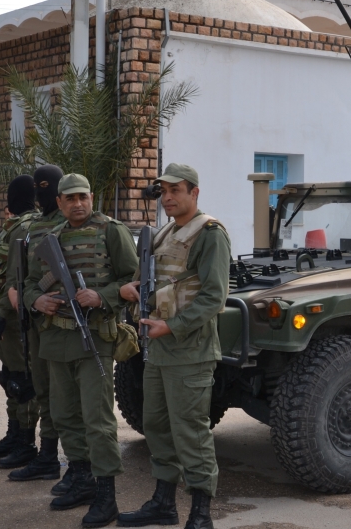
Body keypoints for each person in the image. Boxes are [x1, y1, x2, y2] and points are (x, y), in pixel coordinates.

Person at [118, 163, 231, 529]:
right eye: (163, 191)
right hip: (159, 350)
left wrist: (172, 325)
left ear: (194, 193)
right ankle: (163, 502)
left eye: (175, 190)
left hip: (190, 351)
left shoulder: (209, 234)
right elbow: (149, 277)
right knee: (157, 425)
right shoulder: (165, 232)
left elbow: (214, 297)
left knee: (191, 431)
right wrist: (130, 290)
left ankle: (201, 512)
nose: (167, 197)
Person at [23, 173, 136, 527]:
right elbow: (27, 283)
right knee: (65, 415)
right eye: (69, 198)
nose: (77, 203)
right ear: (59, 202)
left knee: (98, 420)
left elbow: (135, 279)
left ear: (91, 197)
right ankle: (81, 477)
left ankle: (107, 496)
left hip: (94, 338)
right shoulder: (49, 237)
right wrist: (36, 299)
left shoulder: (111, 231)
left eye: (83, 197)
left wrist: (103, 295)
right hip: (56, 340)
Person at [7, 165, 67, 486]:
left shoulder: (67, 221)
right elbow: (28, 275)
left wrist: (39, 291)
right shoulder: (36, 224)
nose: (40, 192)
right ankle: (46, 455)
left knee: (62, 393)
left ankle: (70, 460)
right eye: (37, 187)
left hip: (61, 319)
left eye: (46, 187)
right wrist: (28, 297)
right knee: (42, 388)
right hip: (35, 317)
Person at [0, 177, 40, 470]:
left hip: (17, 317)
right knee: (10, 376)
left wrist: (2, 314)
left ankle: (26, 442)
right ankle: (14, 434)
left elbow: (17, 279)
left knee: (22, 380)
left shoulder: (24, 229)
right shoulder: (16, 226)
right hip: (8, 315)